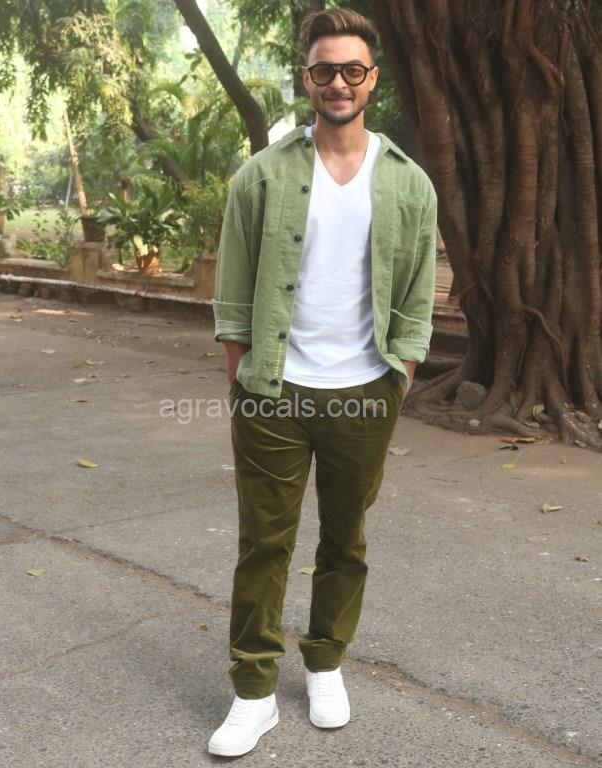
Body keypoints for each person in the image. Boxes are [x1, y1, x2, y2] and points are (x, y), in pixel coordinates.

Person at [208, 8, 437, 757]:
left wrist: (400, 375)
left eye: (352, 69)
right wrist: (243, 379)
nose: (339, 82)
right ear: (305, 78)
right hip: (273, 394)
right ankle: (253, 692)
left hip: (366, 392)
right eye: (324, 69)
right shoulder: (261, 176)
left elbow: (416, 295)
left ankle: (326, 662)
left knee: (345, 539)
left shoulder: (408, 183)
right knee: (263, 544)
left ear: (373, 78)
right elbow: (233, 292)